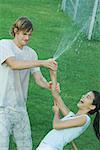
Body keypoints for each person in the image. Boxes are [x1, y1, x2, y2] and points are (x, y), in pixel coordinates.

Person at [0, 16, 58, 150]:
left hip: (20, 108)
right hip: (2, 107)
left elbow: (38, 78)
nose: (27, 38)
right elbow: (14, 64)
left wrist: (48, 85)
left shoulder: (31, 53)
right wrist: (43, 62)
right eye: (24, 34)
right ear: (15, 31)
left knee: (26, 146)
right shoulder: (4, 45)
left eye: (29, 35)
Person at [36, 70, 100, 150]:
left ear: (92, 107)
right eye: (85, 95)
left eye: (88, 97)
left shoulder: (84, 119)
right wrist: (53, 73)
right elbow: (56, 96)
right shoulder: (71, 116)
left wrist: (56, 113)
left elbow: (56, 125)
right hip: (47, 146)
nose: (83, 96)